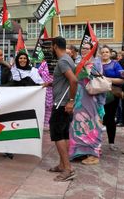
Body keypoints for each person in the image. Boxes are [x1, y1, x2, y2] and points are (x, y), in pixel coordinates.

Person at [46, 37, 77, 182]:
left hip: (61, 104)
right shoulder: (68, 59)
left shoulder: (63, 61)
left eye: (51, 47)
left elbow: (73, 80)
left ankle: (67, 169)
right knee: (64, 135)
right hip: (64, 104)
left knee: (58, 135)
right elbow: (65, 80)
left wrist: (71, 101)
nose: (50, 50)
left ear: (55, 46)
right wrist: (52, 83)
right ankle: (62, 164)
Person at [69, 42, 105, 165]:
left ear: (92, 50)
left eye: (87, 48)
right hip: (79, 98)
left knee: (93, 125)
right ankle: (80, 152)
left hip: (92, 98)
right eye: (82, 48)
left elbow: (96, 78)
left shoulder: (96, 62)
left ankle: (94, 154)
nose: (84, 50)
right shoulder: (78, 61)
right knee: (77, 124)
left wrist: (87, 69)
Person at [100, 45, 124, 151]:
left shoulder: (115, 64)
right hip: (98, 95)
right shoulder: (96, 64)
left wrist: (106, 79)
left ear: (110, 53)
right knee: (98, 119)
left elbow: (122, 80)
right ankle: (96, 142)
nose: (105, 54)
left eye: (106, 52)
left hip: (112, 96)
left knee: (110, 119)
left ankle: (111, 142)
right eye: (103, 52)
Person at [38, 61, 53, 130]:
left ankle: (49, 123)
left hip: (54, 89)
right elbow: (38, 74)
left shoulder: (59, 63)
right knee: (42, 105)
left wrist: (50, 83)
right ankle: (41, 124)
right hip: (43, 89)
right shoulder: (44, 64)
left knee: (51, 107)